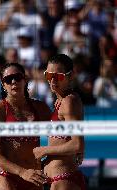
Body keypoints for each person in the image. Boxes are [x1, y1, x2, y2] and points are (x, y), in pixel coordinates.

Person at [0, 63, 51, 190]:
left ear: (25, 79)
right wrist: (22, 172)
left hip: (33, 177)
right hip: (7, 176)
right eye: (8, 79)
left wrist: (49, 162)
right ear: (3, 84)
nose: (13, 82)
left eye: (17, 77)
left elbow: (59, 136)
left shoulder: (40, 108)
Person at [33, 54, 86, 190]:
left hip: (65, 179)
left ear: (70, 76)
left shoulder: (69, 101)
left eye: (59, 76)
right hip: (58, 179)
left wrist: (45, 150)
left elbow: (77, 144)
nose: (53, 80)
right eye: (49, 75)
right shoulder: (59, 101)